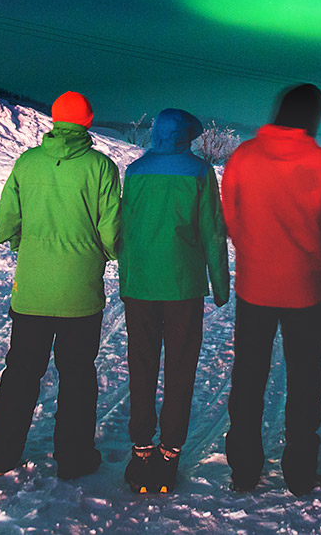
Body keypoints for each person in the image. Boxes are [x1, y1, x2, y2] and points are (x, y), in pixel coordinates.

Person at [0, 91, 121, 479]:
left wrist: (25, 247)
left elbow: (6, 223)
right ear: (88, 121)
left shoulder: (27, 162)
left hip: (31, 291)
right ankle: (73, 458)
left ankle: (1, 456)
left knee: (21, 372)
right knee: (78, 374)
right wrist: (103, 255)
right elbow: (112, 230)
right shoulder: (101, 166)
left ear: (53, 119)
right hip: (80, 294)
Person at [222, 83, 321, 496]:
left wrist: (253, 249)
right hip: (304, 290)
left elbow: (231, 215)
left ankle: (243, 469)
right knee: (305, 380)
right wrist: (306, 251)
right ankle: (300, 473)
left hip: (254, 287)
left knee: (249, 376)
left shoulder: (243, 155)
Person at [117, 108, 230, 494]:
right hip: (183, 289)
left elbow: (126, 231)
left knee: (141, 366)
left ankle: (141, 452)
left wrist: (127, 279)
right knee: (181, 369)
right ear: (187, 137)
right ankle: (169, 455)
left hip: (142, 288)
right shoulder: (199, 173)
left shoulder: (134, 172)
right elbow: (213, 232)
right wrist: (220, 284)